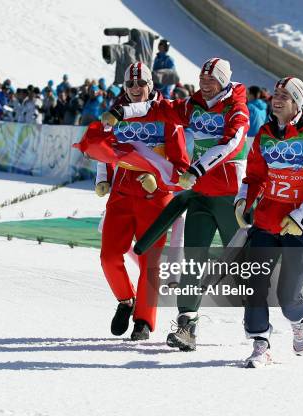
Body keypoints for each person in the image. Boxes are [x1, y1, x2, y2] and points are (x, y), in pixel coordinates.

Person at [103, 57, 250, 350]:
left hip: (229, 196)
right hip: (199, 195)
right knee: (192, 262)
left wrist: (196, 169)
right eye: (202, 81)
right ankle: (187, 328)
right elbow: (159, 108)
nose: (204, 86)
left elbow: (231, 143)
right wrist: (123, 110)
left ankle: (275, 317)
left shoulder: (237, 109)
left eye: (211, 82)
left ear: (222, 82)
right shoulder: (192, 106)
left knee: (245, 265)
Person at [234, 77, 303, 367]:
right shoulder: (265, 134)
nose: (276, 99)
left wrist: (300, 217)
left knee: (287, 297)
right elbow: (253, 177)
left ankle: (301, 318)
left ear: (297, 102)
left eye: (284, 95)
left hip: (301, 228)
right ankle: (260, 344)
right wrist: (243, 201)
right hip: (266, 222)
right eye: (274, 94)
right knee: (253, 282)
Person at [95, 62, 190, 340]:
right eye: (130, 85)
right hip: (122, 195)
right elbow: (104, 148)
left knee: (151, 263)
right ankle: (126, 301)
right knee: (109, 257)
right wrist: (103, 177)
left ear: (151, 86)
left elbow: (181, 167)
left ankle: (144, 321)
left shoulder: (166, 114)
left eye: (141, 84)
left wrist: (158, 182)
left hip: (155, 198)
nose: (136, 89)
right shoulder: (117, 113)